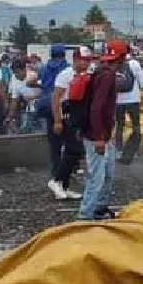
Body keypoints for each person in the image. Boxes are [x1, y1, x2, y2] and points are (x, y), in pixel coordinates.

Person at [78, 40, 127, 221]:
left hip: (103, 134)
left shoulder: (100, 72)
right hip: (96, 136)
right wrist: (99, 137)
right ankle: (85, 216)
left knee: (107, 174)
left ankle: (99, 208)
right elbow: (96, 108)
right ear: (121, 58)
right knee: (97, 178)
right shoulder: (106, 76)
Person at [48, 47, 93, 200]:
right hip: (67, 116)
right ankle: (56, 180)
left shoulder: (88, 74)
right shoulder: (65, 75)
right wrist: (57, 120)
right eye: (83, 60)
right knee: (73, 150)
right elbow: (55, 98)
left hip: (79, 117)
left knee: (74, 152)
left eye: (88, 60)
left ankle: (64, 186)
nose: (86, 63)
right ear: (75, 59)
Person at [38, 44, 70, 174]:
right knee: (69, 140)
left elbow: (39, 82)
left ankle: (55, 171)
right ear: (63, 54)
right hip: (64, 107)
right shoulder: (67, 68)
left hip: (47, 106)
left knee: (54, 143)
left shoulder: (43, 68)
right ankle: (68, 170)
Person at [114, 51, 143, 166]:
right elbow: (142, 84)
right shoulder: (134, 64)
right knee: (135, 125)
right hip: (133, 100)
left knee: (119, 125)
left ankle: (118, 150)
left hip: (118, 101)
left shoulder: (115, 63)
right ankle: (134, 150)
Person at [6, 59, 41, 133]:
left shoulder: (34, 76)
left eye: (18, 72)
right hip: (28, 111)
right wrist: (9, 118)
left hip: (40, 111)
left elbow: (47, 91)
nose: (16, 74)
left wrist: (34, 97)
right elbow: (14, 100)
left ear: (24, 69)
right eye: (15, 72)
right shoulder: (14, 78)